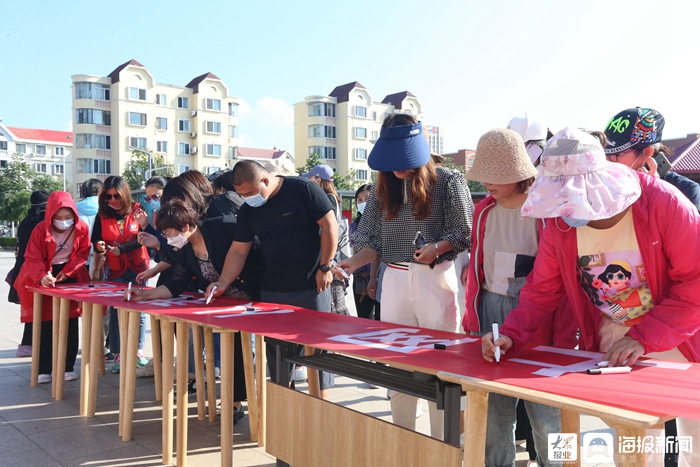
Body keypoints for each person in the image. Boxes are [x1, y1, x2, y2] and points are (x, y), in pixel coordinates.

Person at [482, 127, 700, 467]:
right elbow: (542, 290)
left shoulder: (663, 203)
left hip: (680, 332)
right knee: (633, 445)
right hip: (615, 337)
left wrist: (643, 337)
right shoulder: (560, 223)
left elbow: (695, 283)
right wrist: (512, 334)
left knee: (694, 439)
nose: (568, 207)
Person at [337, 114, 473, 439]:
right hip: (395, 278)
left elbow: (464, 231)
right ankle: (404, 444)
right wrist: (352, 263)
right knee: (398, 363)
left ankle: (445, 446)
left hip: (436, 277)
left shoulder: (448, 180)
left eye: (403, 159)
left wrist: (437, 248)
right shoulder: (382, 187)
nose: (397, 167)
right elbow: (371, 241)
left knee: (442, 362)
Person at [464, 128, 561, 467]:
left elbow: (553, 280)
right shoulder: (483, 211)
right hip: (490, 307)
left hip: (537, 312)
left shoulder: (544, 210)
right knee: (493, 407)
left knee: (548, 409)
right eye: (483, 174)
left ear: (517, 173)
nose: (486, 182)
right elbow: (477, 271)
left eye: (494, 174)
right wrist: (471, 317)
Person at [205, 159, 338, 400]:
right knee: (277, 354)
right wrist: (223, 281)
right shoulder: (249, 209)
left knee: (317, 351)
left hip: (312, 284)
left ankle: (322, 406)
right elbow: (238, 250)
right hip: (273, 288)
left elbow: (330, 226)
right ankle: (284, 405)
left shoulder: (303, 190)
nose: (247, 199)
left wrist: (325, 266)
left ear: (265, 180)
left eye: (249, 193)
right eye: (241, 195)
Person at [128, 199, 262, 423]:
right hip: (227, 304)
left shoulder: (222, 227)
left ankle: (259, 399)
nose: (168, 239)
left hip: (258, 295)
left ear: (186, 226)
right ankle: (234, 402)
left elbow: (254, 247)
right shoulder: (185, 250)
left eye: (170, 233)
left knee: (255, 350)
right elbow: (175, 284)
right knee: (233, 349)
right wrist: (144, 294)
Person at [15, 191, 91, 383]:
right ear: (50, 215)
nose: (63, 222)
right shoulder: (41, 229)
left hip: (70, 273)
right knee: (45, 321)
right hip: (44, 273)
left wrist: (69, 271)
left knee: (71, 321)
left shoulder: (81, 227)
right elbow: (32, 256)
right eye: (58, 217)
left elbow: (83, 252)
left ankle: (67, 367)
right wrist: (41, 276)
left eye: (67, 217)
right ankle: (44, 369)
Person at [92, 176, 150, 372]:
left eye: (116, 196)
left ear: (124, 194)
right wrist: (99, 247)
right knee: (116, 311)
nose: (112, 200)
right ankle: (118, 353)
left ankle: (137, 351)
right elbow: (96, 241)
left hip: (138, 268)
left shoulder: (138, 210)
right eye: (108, 197)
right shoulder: (102, 215)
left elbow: (147, 236)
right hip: (115, 269)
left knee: (138, 310)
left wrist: (124, 248)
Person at [603, 107, 700, 213]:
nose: (607, 162)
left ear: (646, 153)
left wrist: (655, 193)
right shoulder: (602, 187)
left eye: (614, 155)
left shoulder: (687, 190)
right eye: (603, 154)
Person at [303, 164, 350, 316]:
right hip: (333, 258)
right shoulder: (332, 198)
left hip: (330, 260)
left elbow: (328, 229)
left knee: (334, 307)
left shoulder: (326, 198)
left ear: (318, 180)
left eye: (311, 177)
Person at [8, 190, 50, 357]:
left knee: (32, 307)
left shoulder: (25, 221)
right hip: (38, 270)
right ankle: (33, 344)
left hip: (23, 269)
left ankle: (27, 344)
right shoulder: (43, 222)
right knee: (41, 308)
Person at [348, 184, 381, 320]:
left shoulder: (384, 222)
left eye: (367, 198)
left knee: (381, 318)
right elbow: (355, 252)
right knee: (364, 319)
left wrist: (374, 276)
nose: (363, 203)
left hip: (381, 277)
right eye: (359, 200)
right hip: (361, 279)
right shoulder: (354, 226)